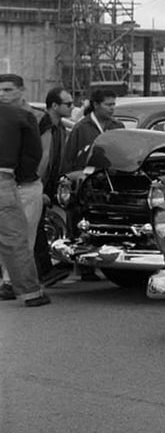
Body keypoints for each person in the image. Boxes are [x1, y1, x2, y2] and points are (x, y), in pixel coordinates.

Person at [0, 73, 50, 307]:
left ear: (20, 90)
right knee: (15, 239)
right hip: (5, 179)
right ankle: (30, 293)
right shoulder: (23, 116)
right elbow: (33, 154)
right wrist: (21, 177)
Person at [36, 86, 75, 286]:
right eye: (68, 104)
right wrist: (39, 189)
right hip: (37, 186)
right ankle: (43, 272)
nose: (72, 107)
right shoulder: (47, 125)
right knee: (35, 230)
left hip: (47, 186)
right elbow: (44, 159)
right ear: (54, 105)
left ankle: (44, 270)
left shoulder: (59, 126)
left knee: (38, 228)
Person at [64, 87, 122, 170]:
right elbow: (69, 159)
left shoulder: (117, 126)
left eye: (113, 104)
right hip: (87, 178)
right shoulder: (81, 128)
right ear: (96, 105)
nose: (112, 108)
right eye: (108, 105)